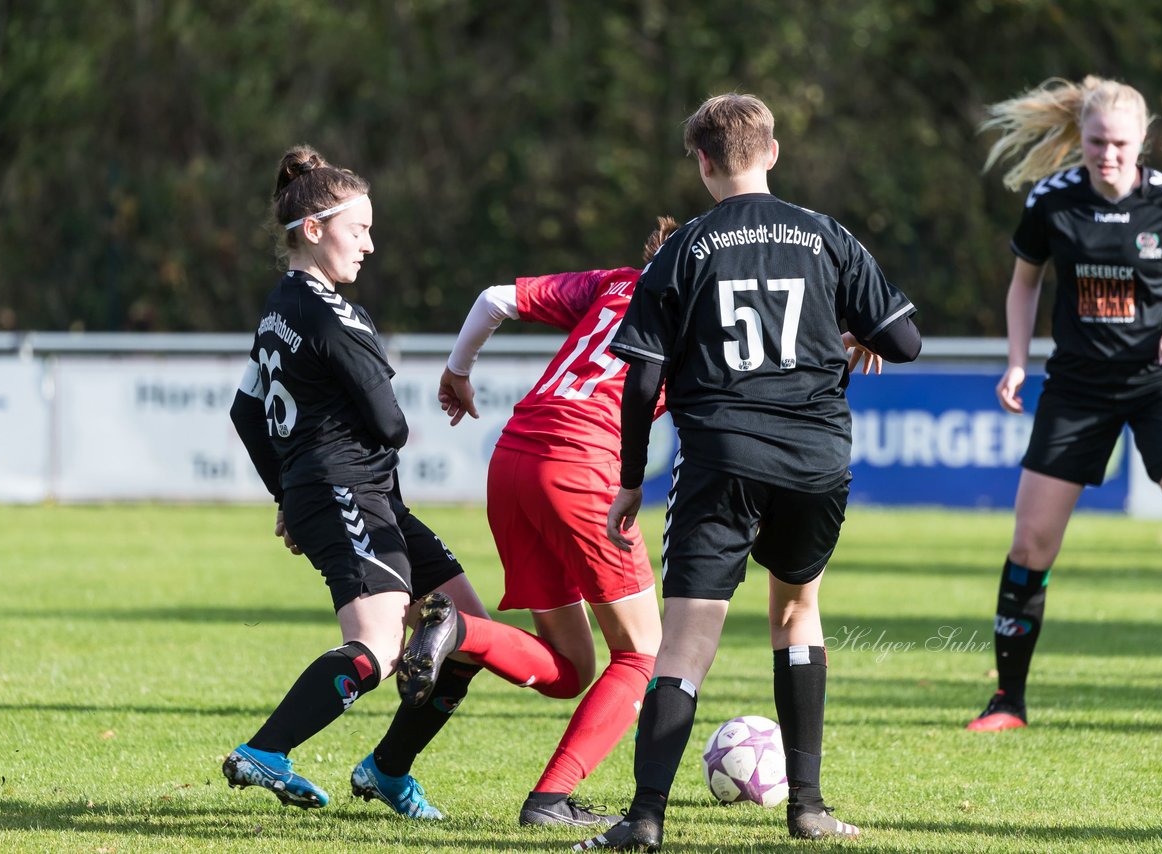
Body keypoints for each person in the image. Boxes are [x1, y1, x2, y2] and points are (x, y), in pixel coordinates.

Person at [570, 93, 921, 852]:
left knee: (686, 641)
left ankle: (644, 820)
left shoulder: (684, 248)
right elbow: (908, 341)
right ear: (773, 151)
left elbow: (639, 380)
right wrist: (857, 327)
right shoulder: (827, 236)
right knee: (796, 613)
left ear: (701, 162)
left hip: (720, 458)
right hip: (815, 458)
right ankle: (809, 808)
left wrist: (632, 477)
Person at [221, 144, 489, 819]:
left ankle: (387, 770)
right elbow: (390, 425)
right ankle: (267, 750)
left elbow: (246, 411)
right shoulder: (335, 317)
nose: (370, 245)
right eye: (359, 229)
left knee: (470, 630)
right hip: (347, 493)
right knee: (378, 647)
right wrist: (305, 487)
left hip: (358, 495)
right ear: (314, 229)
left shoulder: (280, 305)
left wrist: (287, 493)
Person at [966, 76, 1162, 732]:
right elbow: (1025, 285)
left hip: (1161, 383)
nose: (1106, 154)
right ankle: (1008, 702)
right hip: (1077, 388)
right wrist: (1018, 361)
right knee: (1031, 543)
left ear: (1142, 142)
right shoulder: (1052, 200)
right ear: (1080, 139)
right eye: (1095, 142)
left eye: (1118, 144)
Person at [409, 218, 683, 828]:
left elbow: (491, 300)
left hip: (512, 461)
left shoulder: (615, 283)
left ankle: (461, 630)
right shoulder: (698, 314)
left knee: (570, 671)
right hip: (580, 471)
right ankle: (550, 798)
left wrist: (458, 368)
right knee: (643, 653)